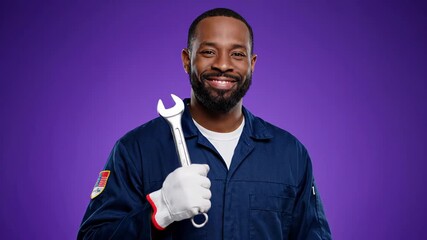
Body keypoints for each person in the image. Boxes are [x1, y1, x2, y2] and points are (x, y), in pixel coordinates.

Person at [78, 8, 331, 240]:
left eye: (237, 54)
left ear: (252, 64)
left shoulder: (290, 154)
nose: (222, 64)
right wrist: (159, 210)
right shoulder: (136, 150)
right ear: (187, 60)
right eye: (209, 52)